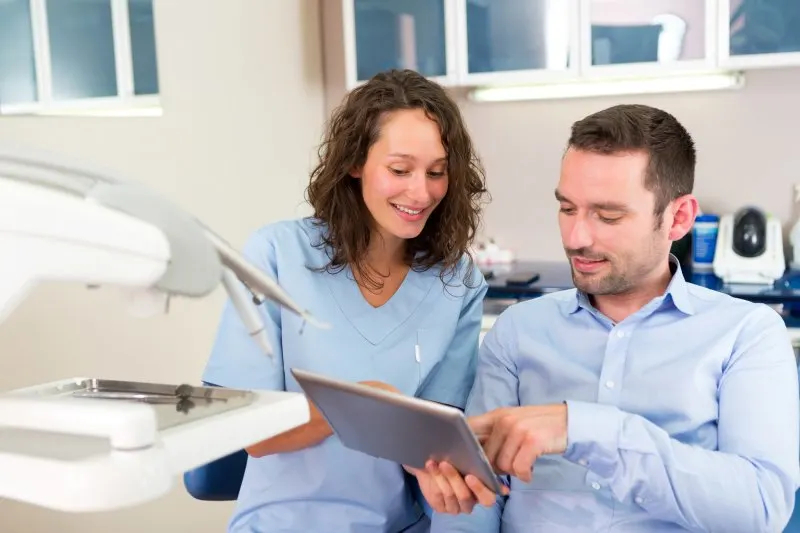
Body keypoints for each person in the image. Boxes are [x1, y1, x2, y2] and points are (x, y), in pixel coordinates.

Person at [410, 104, 800, 532]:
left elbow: (761, 508)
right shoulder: (518, 332)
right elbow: (473, 501)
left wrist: (585, 430)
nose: (576, 238)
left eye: (608, 215)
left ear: (679, 218)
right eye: (567, 209)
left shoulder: (746, 334)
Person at [201, 68, 489, 532]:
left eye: (437, 172)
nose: (421, 192)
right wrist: (367, 403)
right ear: (355, 162)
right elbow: (252, 433)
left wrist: (443, 469)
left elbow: (437, 438)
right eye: (400, 170)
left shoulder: (458, 282)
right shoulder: (276, 255)